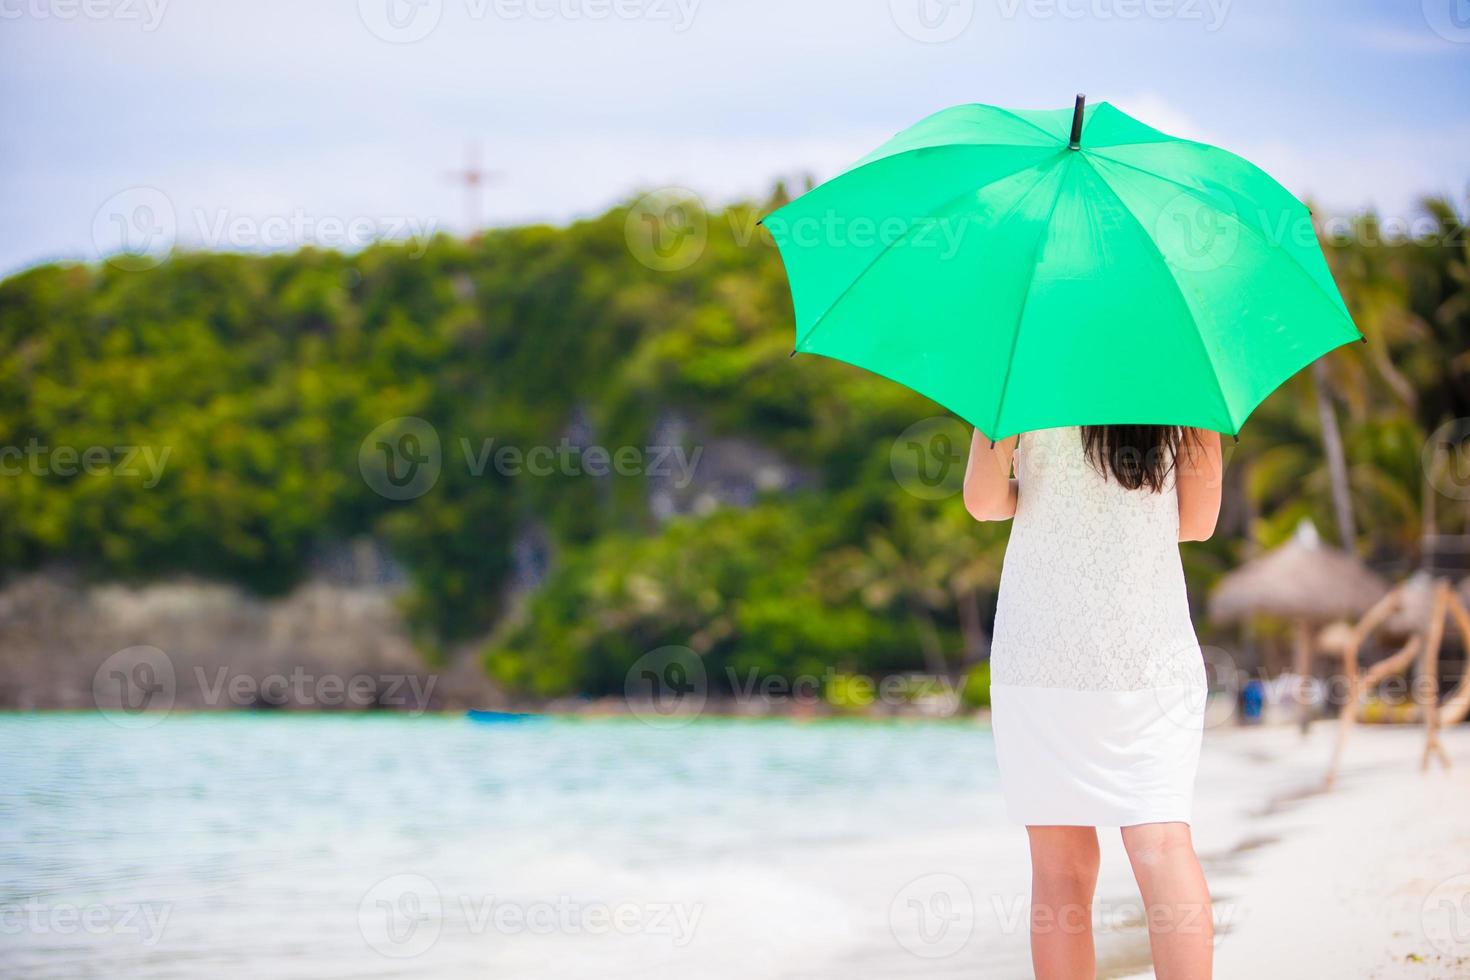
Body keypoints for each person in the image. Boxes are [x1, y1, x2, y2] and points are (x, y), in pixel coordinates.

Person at [964, 424, 1223, 980]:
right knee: (1162, 847)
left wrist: (1038, 497)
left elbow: (983, 502)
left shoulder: (1021, 357)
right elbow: (1199, 523)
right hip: (1152, 651)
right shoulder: (1183, 369)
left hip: (1041, 655)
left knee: (1060, 870)